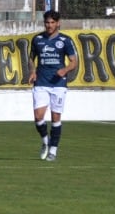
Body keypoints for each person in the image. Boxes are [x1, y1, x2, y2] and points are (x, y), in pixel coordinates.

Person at [28, 9, 79, 161]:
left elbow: (74, 62)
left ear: (58, 23)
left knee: (55, 117)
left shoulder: (65, 41)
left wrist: (65, 69)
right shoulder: (37, 39)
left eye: (52, 23)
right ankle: (45, 141)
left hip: (58, 84)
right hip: (41, 82)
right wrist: (33, 71)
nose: (49, 25)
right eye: (47, 22)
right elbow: (31, 58)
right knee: (38, 117)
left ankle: (53, 151)